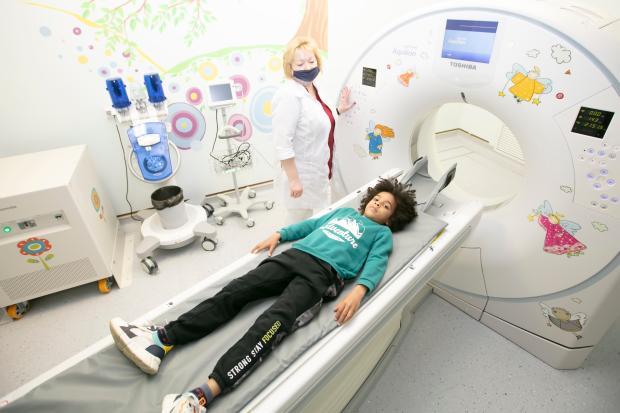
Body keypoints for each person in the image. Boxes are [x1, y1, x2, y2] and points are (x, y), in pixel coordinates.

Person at [109, 178, 417, 413]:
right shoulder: (343, 212)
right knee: (236, 291)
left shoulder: (381, 234)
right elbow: (310, 225)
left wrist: (359, 291)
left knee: (273, 321)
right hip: (294, 255)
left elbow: (377, 262)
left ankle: (199, 397)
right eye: (376, 199)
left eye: (385, 206)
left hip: (321, 276)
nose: (377, 204)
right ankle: (161, 340)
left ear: (391, 219)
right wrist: (280, 234)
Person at [272, 36, 355, 225]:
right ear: (290, 67)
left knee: (316, 214)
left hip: (321, 166)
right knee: (297, 222)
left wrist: (338, 110)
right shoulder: (288, 95)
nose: (308, 67)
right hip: (302, 173)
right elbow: (282, 143)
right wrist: (294, 180)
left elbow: (315, 121)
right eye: (300, 63)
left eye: (311, 61)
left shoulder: (313, 88)